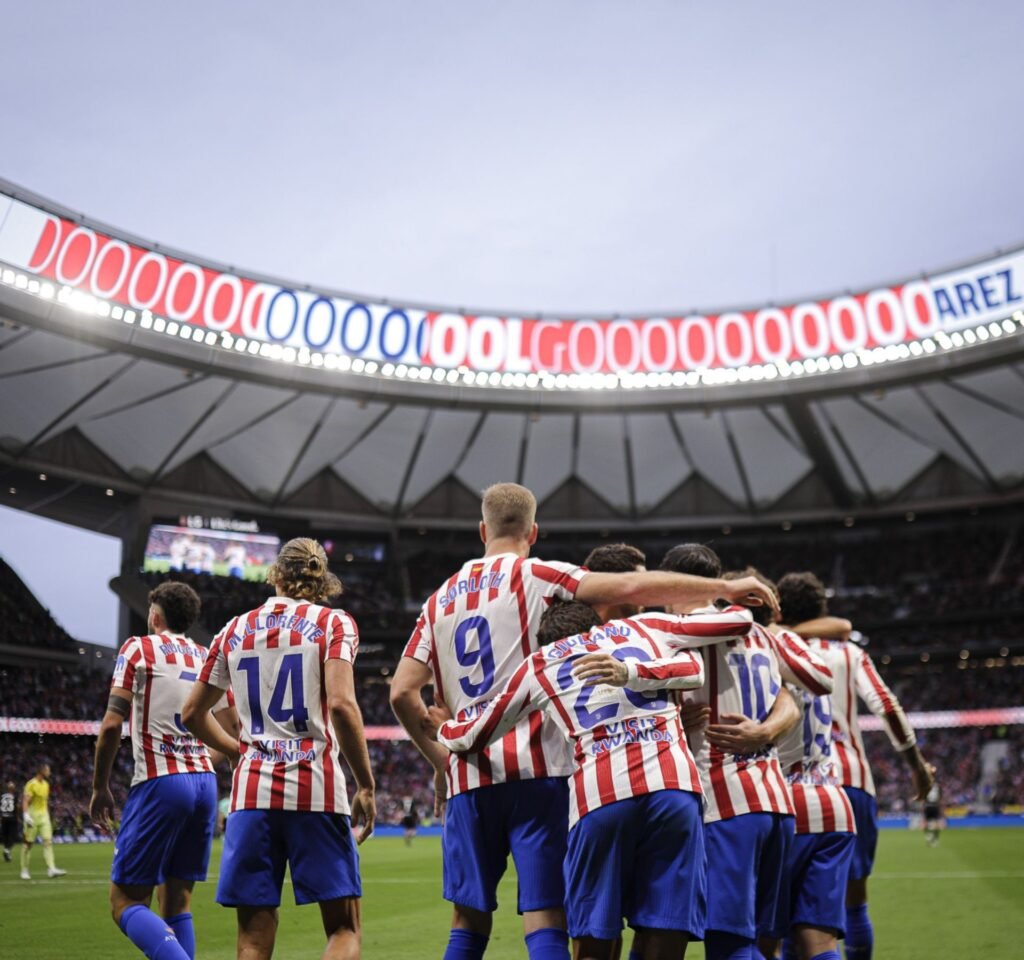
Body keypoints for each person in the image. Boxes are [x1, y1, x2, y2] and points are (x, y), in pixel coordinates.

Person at [389, 483, 777, 960]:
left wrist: (442, 760)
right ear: (533, 531)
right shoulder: (541, 576)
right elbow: (635, 590)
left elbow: (402, 692)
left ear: (481, 529)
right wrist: (725, 588)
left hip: (471, 774)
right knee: (549, 916)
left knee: (467, 922)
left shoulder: (438, 601)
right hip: (546, 771)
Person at [429, 597, 757, 960]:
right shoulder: (642, 626)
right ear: (597, 623)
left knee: (592, 934)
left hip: (601, 797)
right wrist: (722, 600)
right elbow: (724, 636)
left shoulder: (540, 662)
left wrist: (442, 726)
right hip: (674, 789)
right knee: (666, 927)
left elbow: (474, 736)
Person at [182, 537, 376, 960]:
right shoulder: (334, 623)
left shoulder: (232, 630)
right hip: (318, 791)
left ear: (275, 575)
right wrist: (366, 785)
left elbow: (193, 713)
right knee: (344, 929)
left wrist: (236, 752)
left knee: (252, 940)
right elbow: (342, 705)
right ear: (321, 577)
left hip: (251, 796)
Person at [654, 546, 809, 960]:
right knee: (762, 942)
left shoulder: (680, 630)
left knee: (728, 941)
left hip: (724, 801)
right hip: (775, 800)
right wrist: (768, 730)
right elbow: (792, 696)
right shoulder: (760, 634)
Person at [779, 572, 934, 960]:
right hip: (851, 782)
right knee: (855, 901)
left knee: (784, 905)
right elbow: (886, 706)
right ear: (823, 608)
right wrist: (916, 764)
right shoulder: (848, 653)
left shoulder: (773, 647)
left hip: (792, 783)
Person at [91, 580, 236, 960]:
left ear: (154, 615)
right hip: (205, 784)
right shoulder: (206, 656)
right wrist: (203, 760)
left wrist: (99, 788)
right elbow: (232, 728)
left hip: (160, 781)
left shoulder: (139, 648)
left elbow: (110, 726)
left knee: (125, 900)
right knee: (177, 902)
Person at [756, 576, 856, 960]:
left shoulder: (754, 653)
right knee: (820, 940)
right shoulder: (807, 649)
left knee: (765, 940)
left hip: (784, 801)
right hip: (833, 799)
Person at [21, 761, 65, 880]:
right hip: (32, 817)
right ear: (42, 771)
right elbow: (25, 801)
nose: (49, 772)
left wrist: (48, 816)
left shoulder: (46, 784)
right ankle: (24, 869)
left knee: (48, 842)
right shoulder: (31, 784)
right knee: (28, 844)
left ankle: (51, 868)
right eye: (48, 770)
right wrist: (26, 815)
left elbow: (44, 802)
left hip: (44, 816)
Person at [923, 780, 943, 847]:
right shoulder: (937, 786)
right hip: (934, 806)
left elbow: (924, 798)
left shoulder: (926, 786)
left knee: (926, 822)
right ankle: (935, 839)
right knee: (936, 823)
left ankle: (928, 835)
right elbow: (940, 798)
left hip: (928, 806)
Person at [2, 779, 17, 862]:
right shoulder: (15, 795)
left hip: (3, 818)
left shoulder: (2, 795)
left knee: (5, 837)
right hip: (12, 818)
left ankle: (7, 852)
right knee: (12, 837)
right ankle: (7, 851)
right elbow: (17, 807)